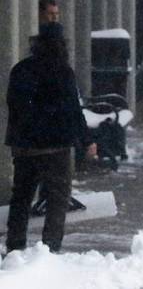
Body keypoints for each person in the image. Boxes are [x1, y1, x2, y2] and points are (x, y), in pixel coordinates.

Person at [4, 22, 90, 253]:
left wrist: (22, 134)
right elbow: (73, 108)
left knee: (21, 198)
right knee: (57, 200)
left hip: (25, 147)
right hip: (55, 147)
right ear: (62, 46)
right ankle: (50, 249)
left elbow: (13, 104)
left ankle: (14, 247)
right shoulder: (63, 72)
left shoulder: (21, 69)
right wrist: (86, 140)